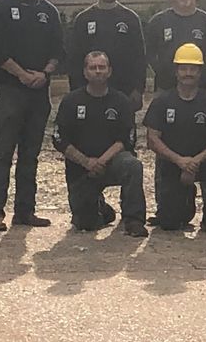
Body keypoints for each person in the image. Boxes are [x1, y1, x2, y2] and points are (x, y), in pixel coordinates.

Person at [0, 0, 65, 231]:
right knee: (3, 151)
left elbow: (59, 50)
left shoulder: (49, 12)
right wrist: (21, 74)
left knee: (31, 154)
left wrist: (44, 73)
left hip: (39, 92)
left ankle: (25, 211)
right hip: (9, 91)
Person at [53, 48, 147, 238]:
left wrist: (101, 161)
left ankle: (134, 220)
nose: (98, 71)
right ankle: (102, 209)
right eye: (93, 67)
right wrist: (86, 162)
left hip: (112, 161)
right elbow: (59, 139)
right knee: (86, 224)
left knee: (133, 165)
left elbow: (126, 139)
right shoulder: (71, 101)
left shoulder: (121, 101)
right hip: (81, 167)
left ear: (109, 71)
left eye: (102, 67)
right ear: (85, 72)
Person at [142, 44, 206, 235]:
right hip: (172, 163)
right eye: (183, 68)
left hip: (204, 162)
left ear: (200, 72)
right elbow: (152, 139)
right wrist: (180, 161)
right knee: (170, 224)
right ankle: (184, 198)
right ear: (176, 72)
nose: (188, 73)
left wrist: (195, 162)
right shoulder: (162, 102)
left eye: (193, 69)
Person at [67, 0, 147, 109]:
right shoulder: (83, 20)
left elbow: (139, 58)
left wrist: (138, 90)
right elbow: (74, 60)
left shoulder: (130, 19)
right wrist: (76, 92)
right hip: (89, 93)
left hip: (124, 92)